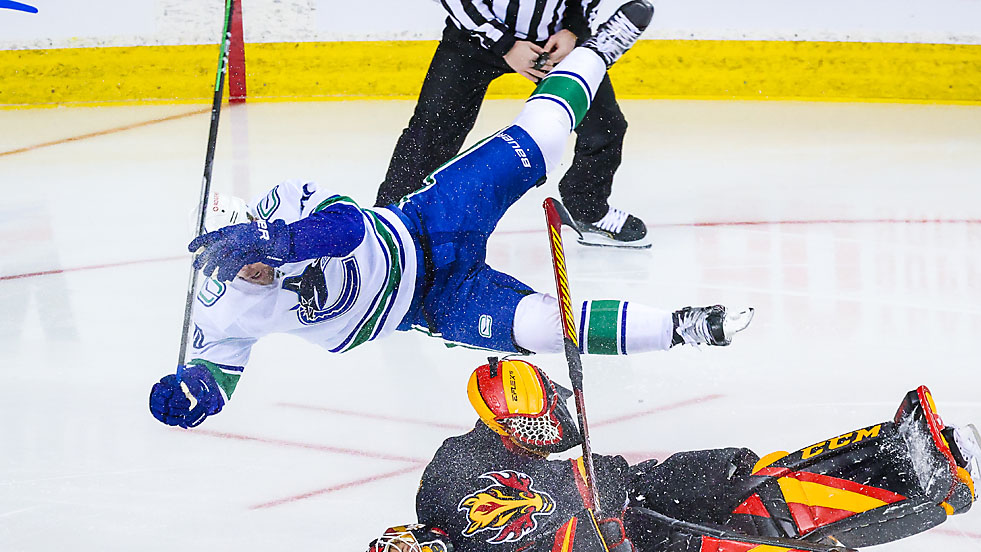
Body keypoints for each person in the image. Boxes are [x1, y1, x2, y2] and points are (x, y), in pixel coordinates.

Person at [148, 2, 753, 430]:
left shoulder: (284, 206)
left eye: (253, 253)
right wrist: (196, 394)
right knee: (542, 330)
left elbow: (349, 226)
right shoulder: (219, 314)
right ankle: (682, 328)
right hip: (431, 304)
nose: (255, 271)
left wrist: (279, 241)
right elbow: (217, 374)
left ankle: (600, 51)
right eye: (243, 269)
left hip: (425, 222)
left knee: (541, 139)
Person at [359, 358, 981, 552]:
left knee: (726, 479)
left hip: (614, 504)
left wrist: (602, 484)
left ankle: (896, 462)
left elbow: (555, 472)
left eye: (401, 551)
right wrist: (587, 537)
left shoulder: (447, 471)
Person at [375, 0, 650, 249]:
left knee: (606, 127)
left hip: (554, 44)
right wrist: (505, 45)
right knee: (431, 131)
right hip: (474, 38)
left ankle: (587, 209)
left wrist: (573, 30)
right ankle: (390, 223)